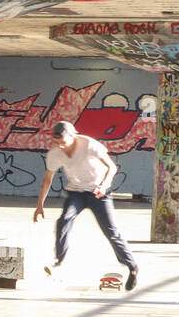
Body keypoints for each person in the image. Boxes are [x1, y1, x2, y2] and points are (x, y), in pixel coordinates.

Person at [33, 119, 138, 290]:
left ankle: (132, 267)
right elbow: (47, 180)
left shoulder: (89, 144)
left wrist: (103, 185)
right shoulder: (55, 153)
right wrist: (39, 205)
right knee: (64, 220)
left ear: (73, 136)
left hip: (99, 193)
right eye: (57, 143)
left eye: (64, 142)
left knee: (111, 232)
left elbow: (111, 167)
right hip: (77, 193)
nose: (61, 146)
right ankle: (58, 260)